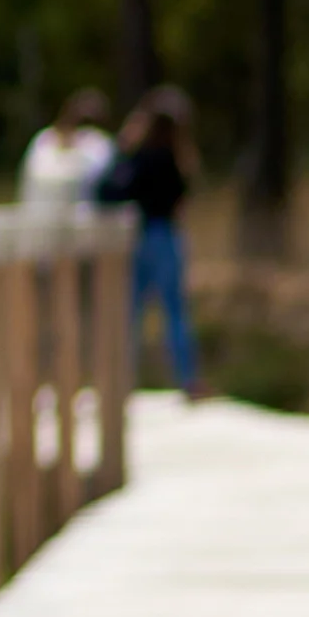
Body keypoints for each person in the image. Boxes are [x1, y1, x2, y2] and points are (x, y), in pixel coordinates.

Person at [97, 85, 202, 397]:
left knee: (133, 312)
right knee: (175, 312)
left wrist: (123, 147)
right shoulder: (176, 158)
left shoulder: (139, 157)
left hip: (141, 238)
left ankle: (121, 379)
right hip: (166, 236)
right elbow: (184, 196)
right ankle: (188, 380)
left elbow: (108, 191)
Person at [19, 87, 116, 207]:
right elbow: (38, 172)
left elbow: (89, 175)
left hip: (84, 219)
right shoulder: (44, 139)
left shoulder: (100, 143)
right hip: (40, 215)